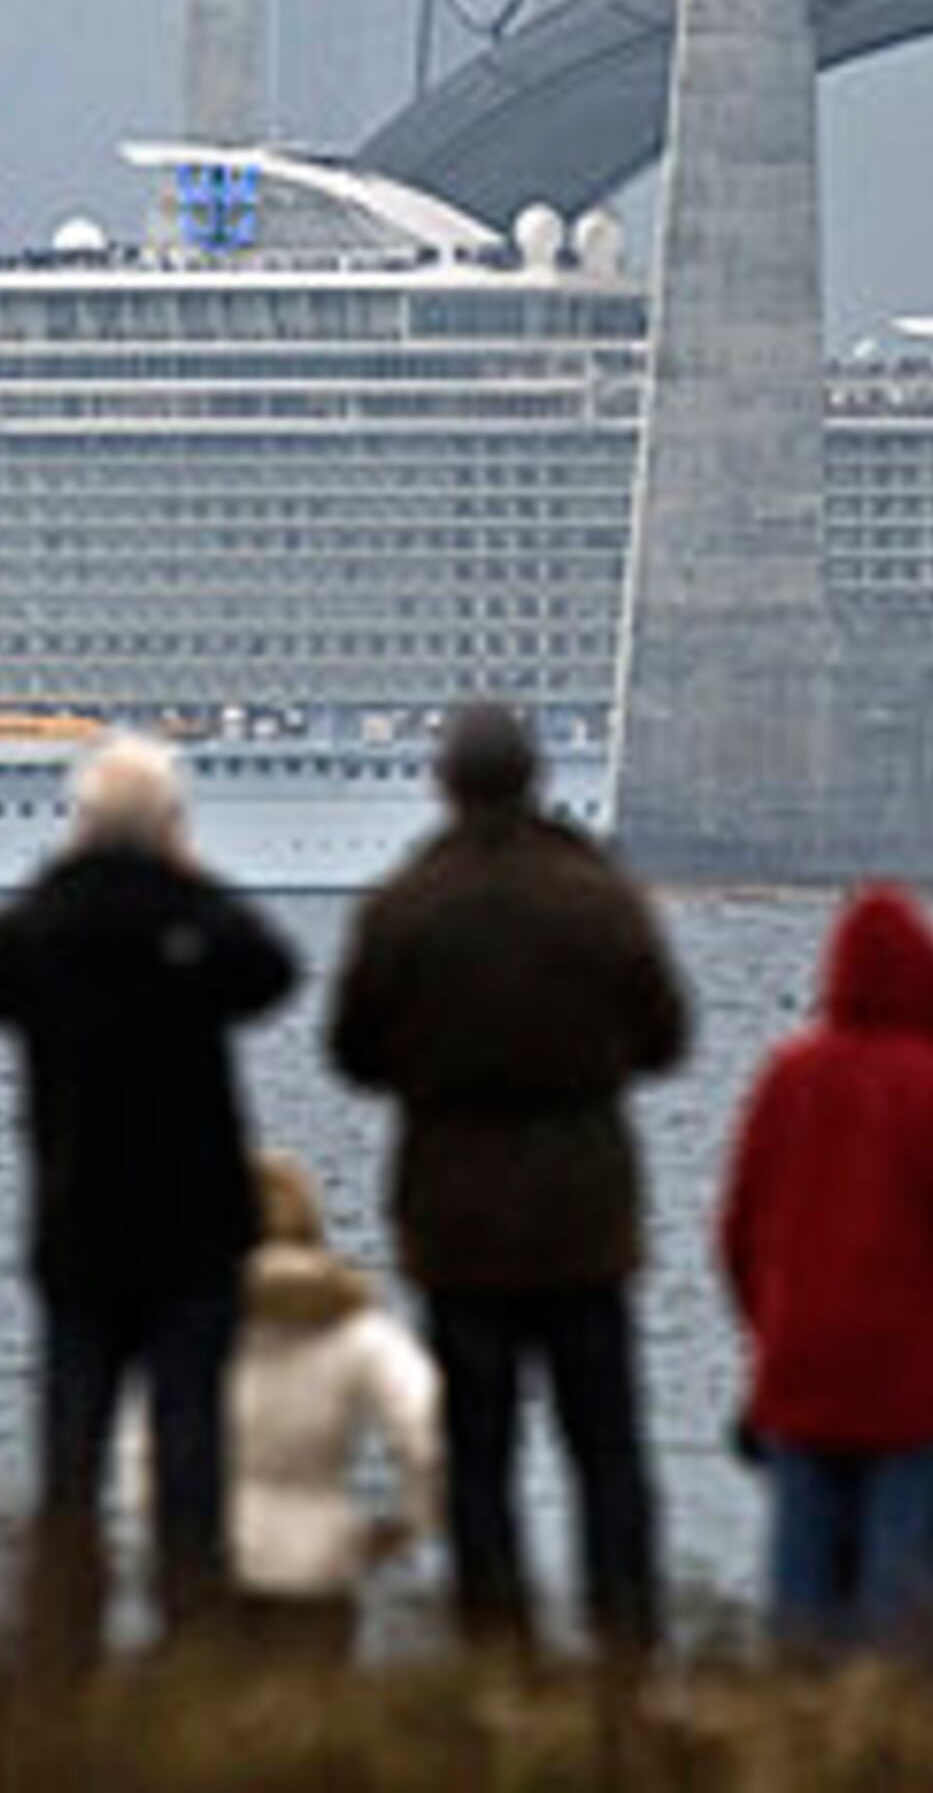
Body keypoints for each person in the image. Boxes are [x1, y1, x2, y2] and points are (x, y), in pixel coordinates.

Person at [329, 703, 689, 1665]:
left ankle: (498, 1647)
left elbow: (352, 1052)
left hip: (457, 1218)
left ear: (443, 783)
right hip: (586, 1215)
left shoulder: (407, 904)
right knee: (607, 1446)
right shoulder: (598, 898)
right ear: (535, 779)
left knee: (478, 1455)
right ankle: (628, 1640)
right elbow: (667, 1038)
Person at [0, 734, 297, 1668]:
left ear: (83, 827)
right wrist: (184, 873)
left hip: (80, 1226)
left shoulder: (49, 928)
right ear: (173, 829)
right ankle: (197, 1639)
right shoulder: (196, 924)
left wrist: (68, 868)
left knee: (70, 1455)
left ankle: (60, 1644)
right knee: (192, 1452)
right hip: (195, 1232)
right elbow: (272, 969)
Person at [719, 882, 933, 1660]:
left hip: (799, 1371)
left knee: (798, 1580)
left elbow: (738, 1232)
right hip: (916, 1382)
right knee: (899, 1573)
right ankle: (927, 1723)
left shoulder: (786, 1076)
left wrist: (765, 1337)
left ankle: (795, 1734)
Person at [209, 1150, 441, 1663]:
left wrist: (175, 1547)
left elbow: (146, 1452)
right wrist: (409, 1524)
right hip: (321, 1557)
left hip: (224, 1557)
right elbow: (428, 1433)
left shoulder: (200, 1335)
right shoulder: (356, 1329)